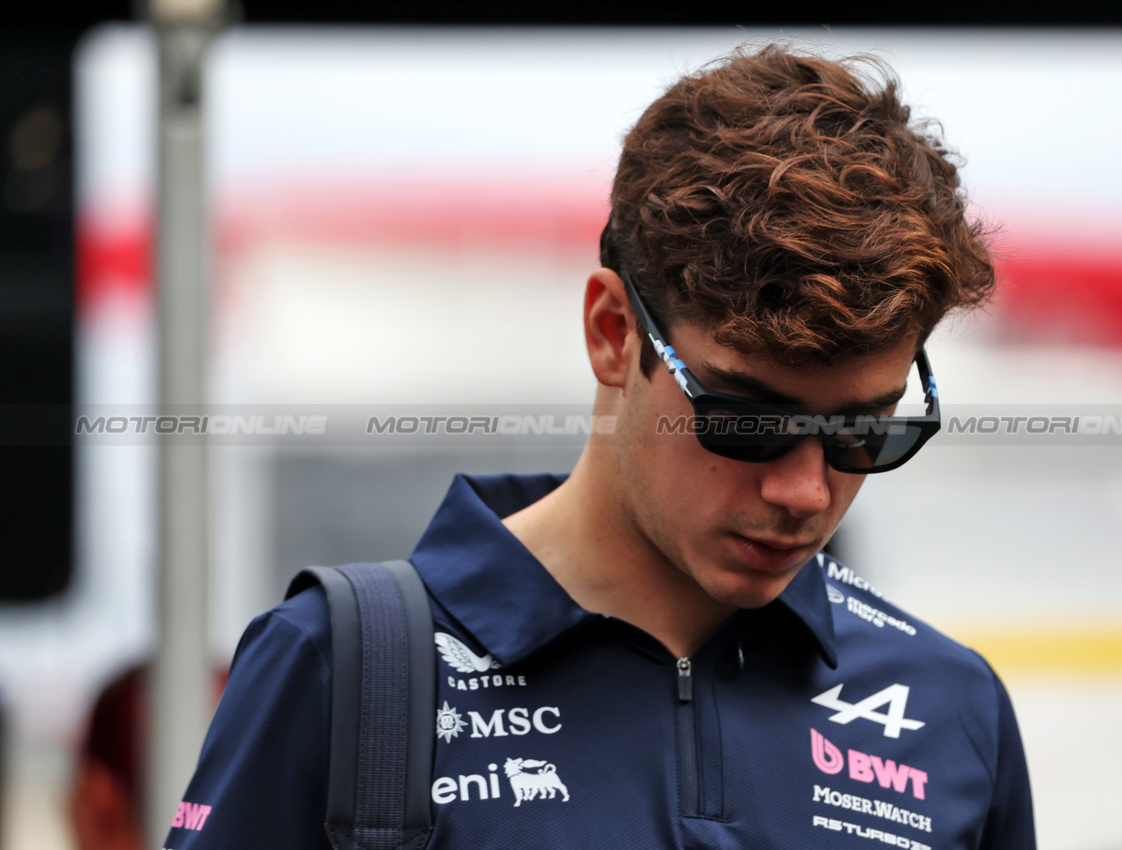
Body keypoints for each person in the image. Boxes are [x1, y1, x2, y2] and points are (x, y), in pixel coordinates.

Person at [166, 43, 1034, 849]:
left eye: (861, 430)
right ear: (613, 333)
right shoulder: (339, 669)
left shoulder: (950, 706)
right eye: (749, 422)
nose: (805, 492)